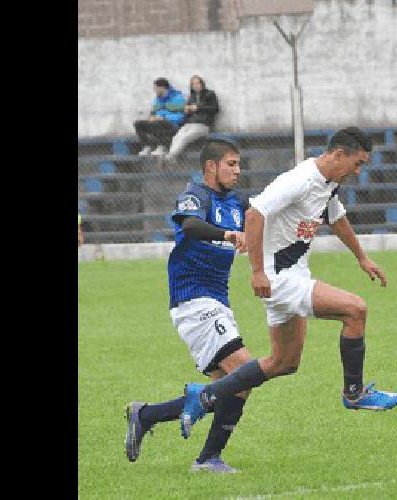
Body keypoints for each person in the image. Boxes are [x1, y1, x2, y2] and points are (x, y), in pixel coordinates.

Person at [178, 127, 397, 440]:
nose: (358, 170)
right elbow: (255, 214)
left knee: (283, 362)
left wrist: (362, 258)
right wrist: (257, 272)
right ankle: (355, 392)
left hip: (294, 275)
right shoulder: (300, 179)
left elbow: (337, 219)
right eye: (358, 162)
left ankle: (204, 396)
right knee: (355, 310)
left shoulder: (330, 184)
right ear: (339, 155)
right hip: (278, 278)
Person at [124, 138, 253, 473]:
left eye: (239, 164)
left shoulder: (238, 202)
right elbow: (191, 226)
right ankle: (205, 457)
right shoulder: (195, 195)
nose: (238, 171)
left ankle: (149, 417)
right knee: (244, 371)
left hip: (218, 301)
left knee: (229, 390)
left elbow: (264, 217)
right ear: (211, 166)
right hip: (192, 299)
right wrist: (228, 235)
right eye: (231, 164)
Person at [165, 75, 220, 164]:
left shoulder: (210, 94)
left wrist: (198, 107)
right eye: (193, 84)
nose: (196, 85)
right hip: (190, 124)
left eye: (198, 83)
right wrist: (186, 111)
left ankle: (170, 156)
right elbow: (188, 113)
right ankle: (171, 157)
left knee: (186, 137)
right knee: (177, 137)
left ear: (202, 84)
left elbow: (215, 109)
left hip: (203, 125)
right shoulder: (192, 96)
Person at [134, 77, 187, 156]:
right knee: (138, 124)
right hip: (159, 123)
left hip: (174, 125)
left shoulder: (178, 98)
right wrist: (151, 117)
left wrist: (164, 118)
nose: (154, 90)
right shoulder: (158, 99)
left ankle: (162, 147)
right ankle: (147, 147)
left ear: (162, 88)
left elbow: (181, 116)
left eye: (156, 88)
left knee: (158, 122)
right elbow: (154, 111)